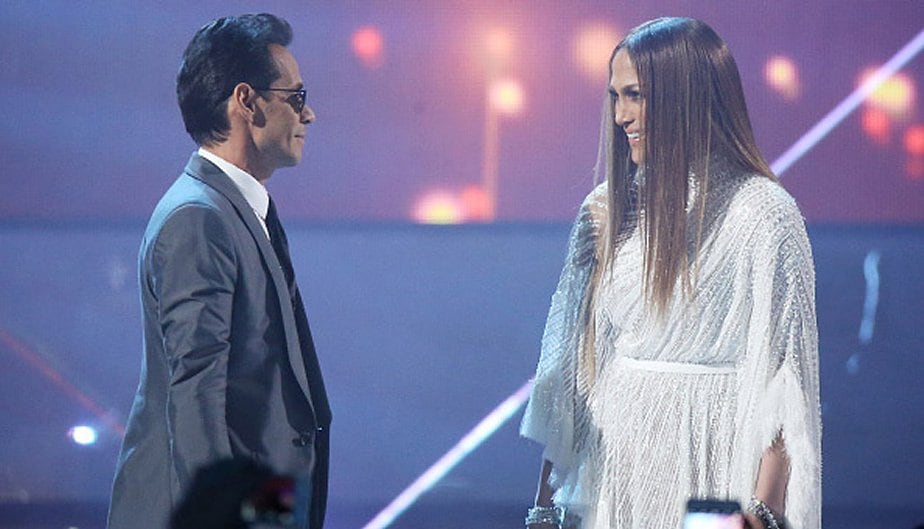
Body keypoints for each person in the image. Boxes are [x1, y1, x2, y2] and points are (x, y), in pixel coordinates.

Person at [520, 17, 821, 529]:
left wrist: (761, 513)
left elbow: (785, 382)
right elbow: (570, 374)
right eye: (615, 97)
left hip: (714, 470)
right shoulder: (604, 212)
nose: (621, 116)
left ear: (685, 94)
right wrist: (545, 505)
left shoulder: (765, 215)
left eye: (635, 95)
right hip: (613, 472)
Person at [107, 13, 331, 529]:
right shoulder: (199, 220)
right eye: (296, 97)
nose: (310, 114)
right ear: (246, 101)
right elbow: (197, 396)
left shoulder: (235, 210)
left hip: (259, 502)